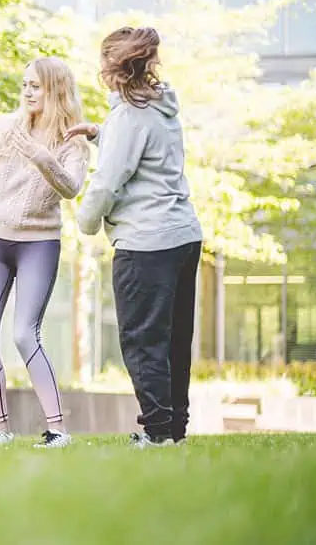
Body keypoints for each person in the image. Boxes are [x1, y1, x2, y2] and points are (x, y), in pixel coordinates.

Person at [68, 26, 202, 448]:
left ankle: (158, 434)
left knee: (143, 342)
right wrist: (100, 134)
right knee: (174, 342)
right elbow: (145, 151)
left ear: (113, 68)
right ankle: (173, 431)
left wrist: (85, 223)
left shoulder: (128, 115)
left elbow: (108, 181)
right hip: (182, 235)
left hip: (147, 242)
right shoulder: (162, 107)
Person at [0, 57, 89, 448]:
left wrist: (40, 155)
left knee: (24, 335)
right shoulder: (6, 128)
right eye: (25, 84)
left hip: (39, 244)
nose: (27, 92)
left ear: (56, 90)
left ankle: (58, 430)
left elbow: (71, 188)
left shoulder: (74, 140)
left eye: (36, 86)